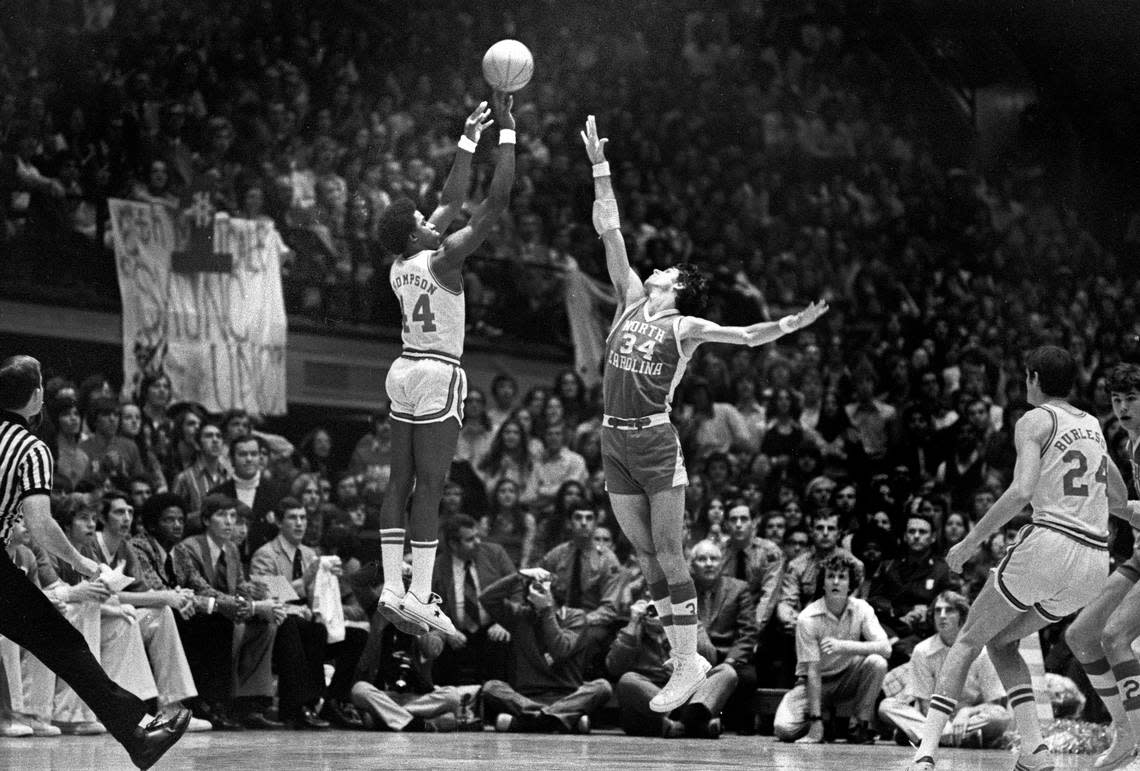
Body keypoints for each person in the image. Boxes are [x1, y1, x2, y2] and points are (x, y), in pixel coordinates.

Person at [580, 114, 828, 713]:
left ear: (679, 284)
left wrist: (790, 323)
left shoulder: (684, 325)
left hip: (656, 441)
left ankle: (687, 658)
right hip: (614, 440)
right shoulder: (632, 299)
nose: (657, 266)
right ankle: (682, 656)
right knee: (643, 557)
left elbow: (743, 337)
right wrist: (599, 166)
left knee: (670, 552)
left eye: (668, 269)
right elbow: (608, 230)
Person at [906, 346, 1124, 771]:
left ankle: (925, 751)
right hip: (1095, 562)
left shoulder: (1035, 419)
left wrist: (969, 543)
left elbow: (1021, 491)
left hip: (1052, 542)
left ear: (1034, 378)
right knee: (1002, 641)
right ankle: (1035, 751)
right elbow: (1116, 497)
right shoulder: (1094, 424)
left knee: (968, 638)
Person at [0, 355, 189, 769]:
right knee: (63, 644)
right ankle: (138, 733)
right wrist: (88, 567)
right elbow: (42, 524)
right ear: (35, 399)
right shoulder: (30, 448)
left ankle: (138, 727)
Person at [374, 93, 515, 637]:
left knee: (399, 481)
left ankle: (392, 584)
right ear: (418, 234)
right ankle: (419, 594)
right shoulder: (444, 258)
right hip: (436, 373)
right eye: (423, 220)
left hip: (402, 369)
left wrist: (466, 139)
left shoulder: (401, 259)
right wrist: (507, 135)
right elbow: (493, 202)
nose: (433, 220)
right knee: (432, 486)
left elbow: (449, 198)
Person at [1064, 362, 1140, 770]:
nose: (1123, 407)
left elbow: (1128, 508)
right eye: (1117, 400)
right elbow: (1122, 501)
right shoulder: (1129, 442)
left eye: (1132, 399)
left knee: (1115, 636)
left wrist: (1121, 509)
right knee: (1081, 635)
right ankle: (1126, 735)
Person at [774, 552, 888, 743]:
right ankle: (824, 719)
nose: (836, 582)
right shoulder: (807, 618)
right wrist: (815, 721)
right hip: (813, 682)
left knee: (877, 662)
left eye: (842, 577)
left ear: (851, 584)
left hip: (847, 677)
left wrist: (843, 646)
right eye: (830, 576)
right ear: (823, 582)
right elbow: (812, 671)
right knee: (783, 729)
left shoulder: (862, 608)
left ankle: (859, 725)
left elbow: (886, 648)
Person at [879, 591, 1011, 749]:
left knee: (1001, 716)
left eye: (949, 610)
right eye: (937, 610)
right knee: (887, 706)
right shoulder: (922, 650)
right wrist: (945, 727)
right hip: (932, 717)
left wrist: (967, 712)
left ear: (962, 616)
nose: (942, 616)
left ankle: (927, 737)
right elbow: (925, 702)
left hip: (969, 719)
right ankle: (955, 739)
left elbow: (993, 702)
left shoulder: (982, 652)